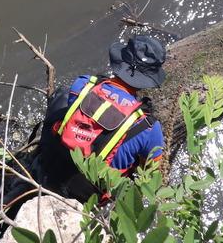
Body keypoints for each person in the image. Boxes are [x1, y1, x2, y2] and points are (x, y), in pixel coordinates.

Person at [33, 35, 168, 201]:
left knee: (62, 96)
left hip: (52, 168)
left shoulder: (83, 84)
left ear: (121, 62)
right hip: (88, 197)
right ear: (148, 78)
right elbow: (153, 177)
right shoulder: (148, 127)